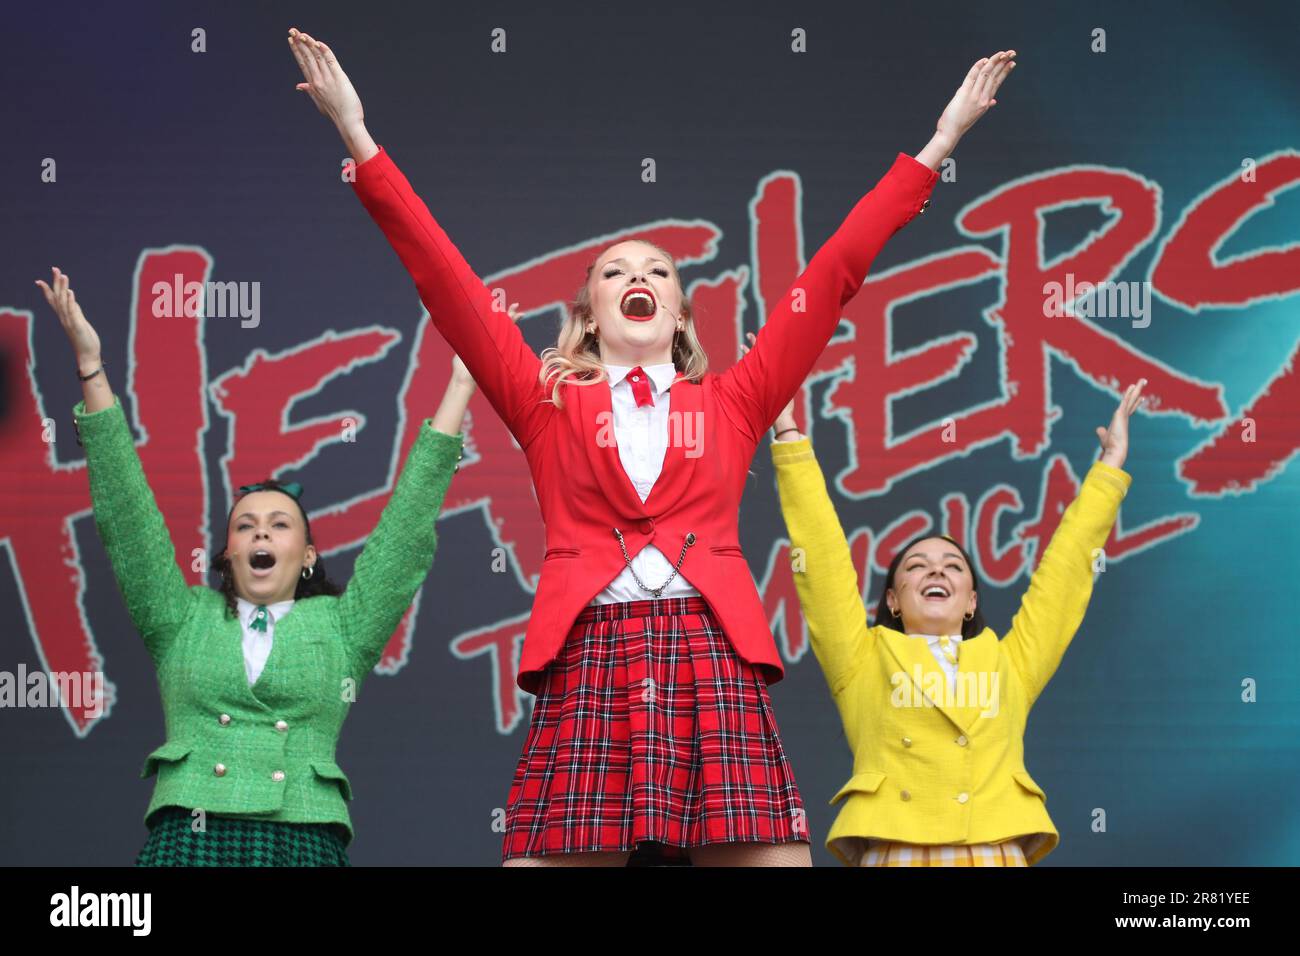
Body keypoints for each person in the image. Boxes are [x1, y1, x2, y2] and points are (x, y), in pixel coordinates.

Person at [286, 25, 1014, 865]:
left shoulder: (736, 399)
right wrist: (358, 135)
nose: (639, 278)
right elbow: (445, 280)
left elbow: (836, 272)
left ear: (681, 312)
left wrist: (941, 140)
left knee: (774, 856)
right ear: (590, 313)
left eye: (659, 271)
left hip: (710, 643)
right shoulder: (544, 403)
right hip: (592, 643)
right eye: (615, 271)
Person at [36, 265, 468, 866]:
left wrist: (460, 386)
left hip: (302, 836)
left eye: (280, 523)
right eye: (245, 525)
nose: (261, 529)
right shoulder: (182, 618)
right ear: (228, 553)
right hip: (190, 834)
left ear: (308, 555)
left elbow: (403, 533)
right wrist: (90, 366)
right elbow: (127, 515)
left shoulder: (342, 627)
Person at [768, 364, 1145, 866]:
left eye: (952, 566)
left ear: (970, 601)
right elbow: (822, 556)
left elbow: (1063, 579)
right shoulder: (863, 660)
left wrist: (1109, 468)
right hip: (895, 849)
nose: (934, 572)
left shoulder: (1008, 663)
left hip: (992, 851)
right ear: (894, 600)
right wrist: (789, 434)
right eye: (915, 566)